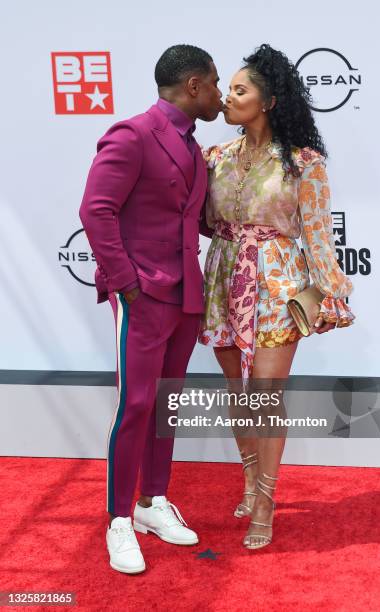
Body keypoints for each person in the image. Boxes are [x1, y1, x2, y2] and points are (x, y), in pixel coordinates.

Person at [198, 44, 355, 550]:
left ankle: (265, 500)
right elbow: (202, 223)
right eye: (229, 89)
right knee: (238, 392)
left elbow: (317, 234)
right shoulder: (214, 158)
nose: (227, 98)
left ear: (267, 101)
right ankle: (248, 479)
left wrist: (329, 294)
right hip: (224, 276)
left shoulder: (305, 163)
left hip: (278, 283)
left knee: (266, 395)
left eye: (240, 90)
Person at [79, 44, 222, 573]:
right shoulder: (133, 134)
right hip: (143, 294)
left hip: (186, 295)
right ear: (192, 85)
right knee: (136, 405)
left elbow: (190, 217)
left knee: (167, 404)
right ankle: (118, 520)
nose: (218, 93)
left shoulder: (194, 146)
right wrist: (126, 285)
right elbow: (96, 210)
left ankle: (151, 504)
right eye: (213, 82)